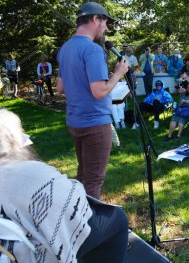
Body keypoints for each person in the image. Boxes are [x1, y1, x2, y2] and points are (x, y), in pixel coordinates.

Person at [0, 109, 129, 263]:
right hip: (36, 251)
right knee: (117, 218)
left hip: (9, 250)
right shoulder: (29, 172)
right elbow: (69, 198)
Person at [57, 1, 129, 199]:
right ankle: (90, 227)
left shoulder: (65, 48)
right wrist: (118, 73)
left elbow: (60, 88)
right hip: (95, 124)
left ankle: (75, 221)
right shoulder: (93, 50)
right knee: (93, 182)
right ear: (95, 19)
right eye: (105, 22)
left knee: (82, 176)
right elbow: (99, 91)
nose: (106, 28)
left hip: (75, 122)